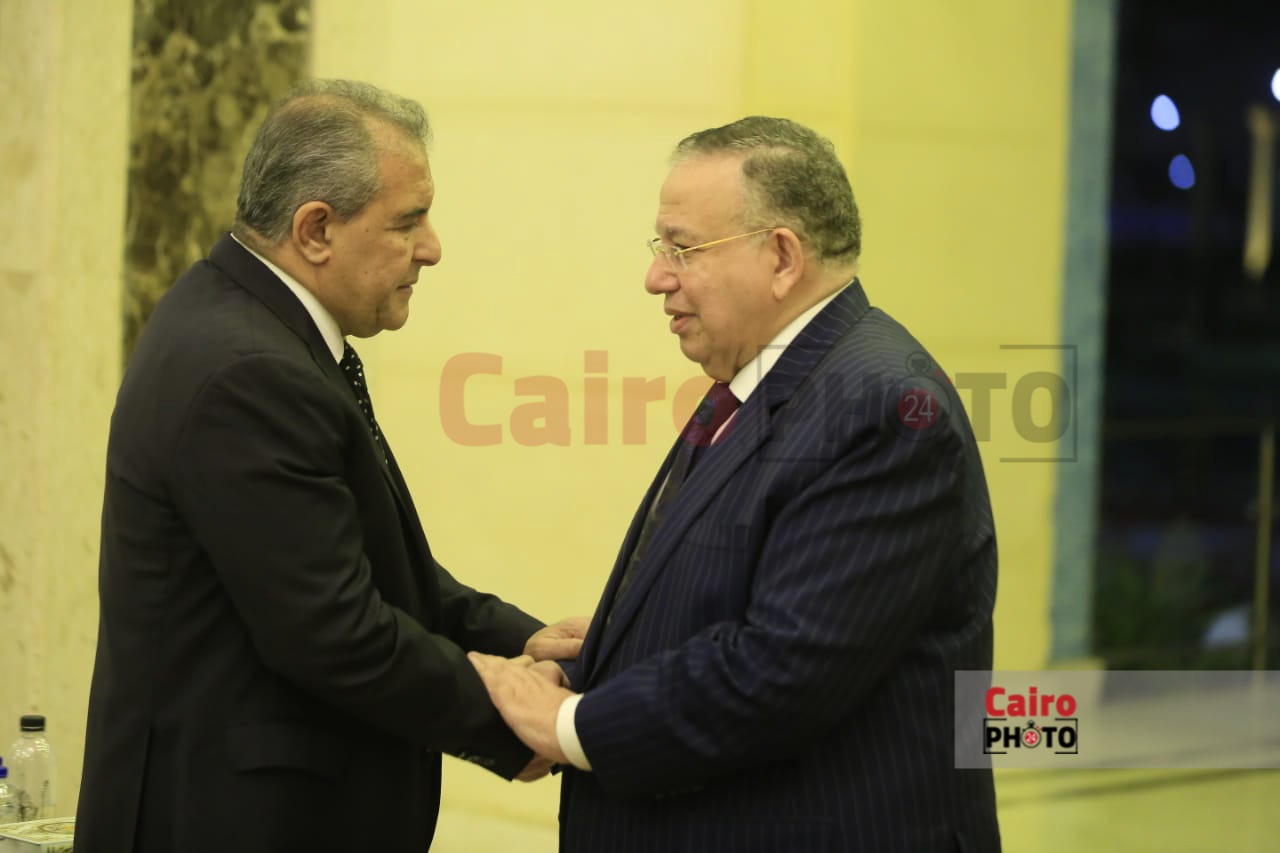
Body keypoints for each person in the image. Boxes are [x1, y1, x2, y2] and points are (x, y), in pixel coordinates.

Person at [75, 79, 584, 853]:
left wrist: (532, 641)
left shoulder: (255, 328)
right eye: (408, 221)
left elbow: (365, 564)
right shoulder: (249, 368)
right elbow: (335, 629)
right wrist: (513, 714)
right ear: (316, 229)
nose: (432, 247)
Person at [469, 116, 1001, 852]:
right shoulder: (763, 383)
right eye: (660, 249)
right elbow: (746, 597)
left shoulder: (881, 409)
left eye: (682, 249)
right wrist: (609, 653)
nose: (657, 277)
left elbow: (785, 668)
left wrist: (564, 725)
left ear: (781, 256)